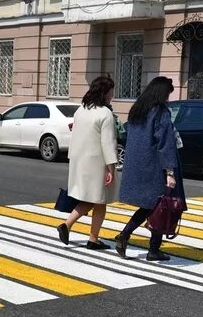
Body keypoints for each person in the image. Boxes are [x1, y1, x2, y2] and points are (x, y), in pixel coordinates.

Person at [113, 76, 186, 261]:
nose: (168, 98)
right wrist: (170, 171)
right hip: (156, 166)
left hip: (138, 165)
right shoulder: (160, 112)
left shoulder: (138, 110)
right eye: (168, 94)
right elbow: (165, 143)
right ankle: (152, 249)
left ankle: (126, 236)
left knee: (151, 205)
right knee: (163, 205)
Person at [57, 75, 119, 250]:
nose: (112, 94)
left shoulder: (81, 110)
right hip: (97, 163)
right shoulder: (105, 114)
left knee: (93, 198)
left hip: (79, 160)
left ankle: (69, 226)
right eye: (111, 91)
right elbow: (108, 143)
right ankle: (91, 238)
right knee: (100, 200)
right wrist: (111, 169)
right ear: (105, 92)